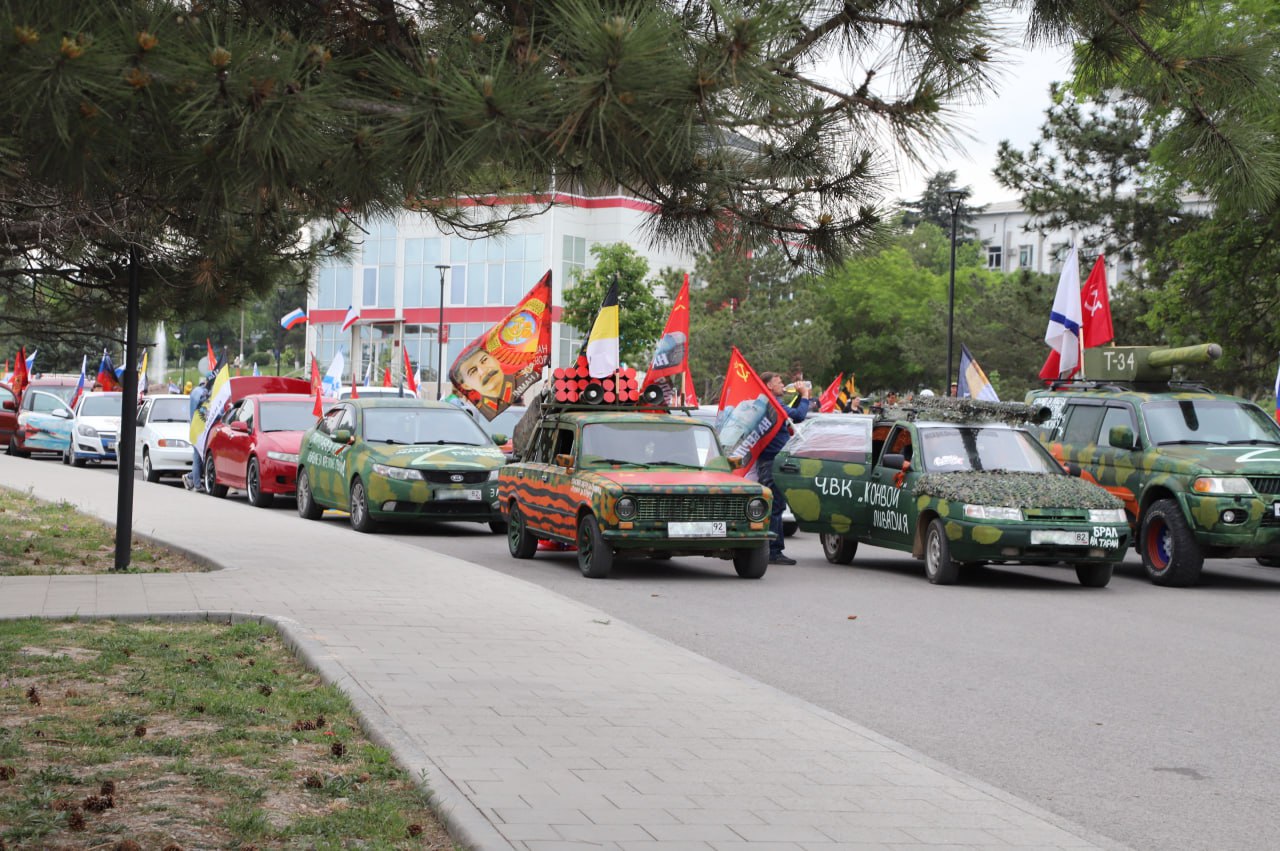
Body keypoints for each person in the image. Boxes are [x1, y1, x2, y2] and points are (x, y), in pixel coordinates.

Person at [757, 371, 811, 565]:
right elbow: (798, 415)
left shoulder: (769, 403)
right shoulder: (772, 402)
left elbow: (790, 418)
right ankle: (773, 550)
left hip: (770, 461)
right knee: (774, 506)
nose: (782, 386)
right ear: (769, 386)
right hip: (772, 462)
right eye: (779, 383)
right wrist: (805, 395)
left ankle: (771, 549)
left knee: (775, 506)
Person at [183, 374, 210, 492]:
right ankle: (197, 484)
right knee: (197, 456)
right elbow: (203, 408)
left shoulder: (198, 391)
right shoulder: (200, 392)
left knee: (200, 457)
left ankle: (189, 477)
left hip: (199, 428)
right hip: (198, 429)